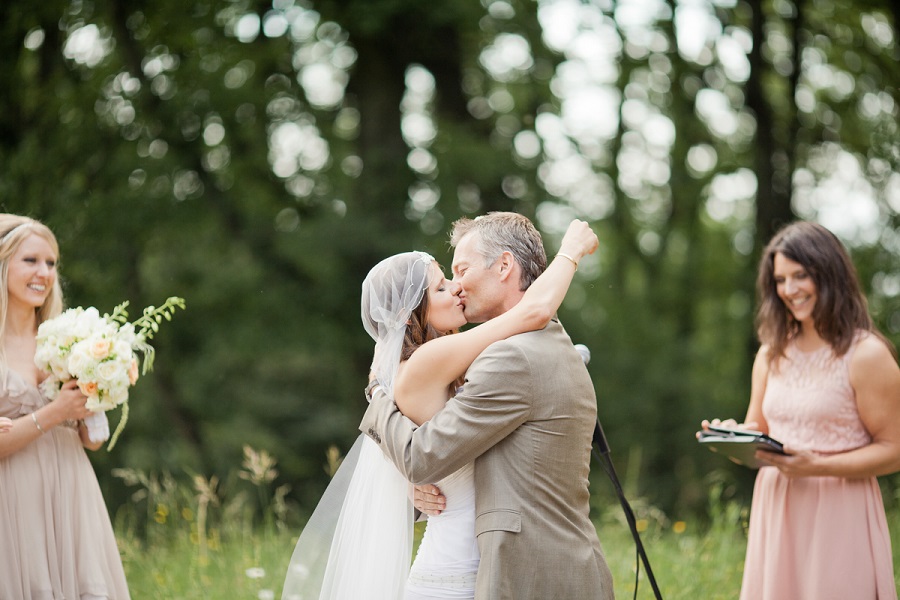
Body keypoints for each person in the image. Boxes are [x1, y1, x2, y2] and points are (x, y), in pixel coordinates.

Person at [282, 217, 601, 600]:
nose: (457, 287)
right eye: (442, 285)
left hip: (491, 565)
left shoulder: (489, 358)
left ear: (502, 266)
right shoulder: (437, 359)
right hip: (456, 573)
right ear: (410, 312)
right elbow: (533, 312)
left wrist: (407, 480)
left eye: (459, 272)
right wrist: (570, 251)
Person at [701, 221, 900, 600]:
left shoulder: (867, 354)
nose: (789, 290)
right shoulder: (771, 352)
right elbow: (759, 436)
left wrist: (818, 466)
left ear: (829, 274)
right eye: (780, 279)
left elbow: (895, 450)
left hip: (841, 512)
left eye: (800, 276)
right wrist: (732, 436)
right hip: (777, 510)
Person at [0, 215, 131, 599]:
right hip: (12, 501)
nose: (44, 272)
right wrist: (55, 411)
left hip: (72, 493)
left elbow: (92, 440)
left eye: (52, 263)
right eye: (31, 260)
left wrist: (103, 380)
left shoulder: (69, 339)